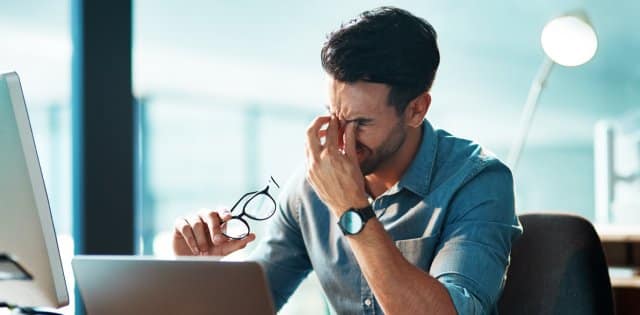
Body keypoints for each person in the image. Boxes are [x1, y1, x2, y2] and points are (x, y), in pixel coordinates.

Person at [172, 6, 522, 315]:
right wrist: (199, 271)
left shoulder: (478, 182)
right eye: (333, 116)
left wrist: (351, 210)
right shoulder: (308, 191)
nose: (341, 141)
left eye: (361, 123)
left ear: (416, 109)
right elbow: (252, 306)